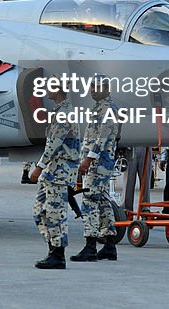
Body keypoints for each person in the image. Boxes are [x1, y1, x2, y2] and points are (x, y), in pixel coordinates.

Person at [29, 85, 81, 269]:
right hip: (52, 171)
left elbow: (54, 144)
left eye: (51, 88)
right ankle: (53, 247)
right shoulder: (58, 111)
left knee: (56, 214)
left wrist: (38, 167)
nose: (47, 91)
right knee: (39, 212)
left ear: (58, 91)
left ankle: (58, 255)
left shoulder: (64, 113)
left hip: (60, 171)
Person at [71, 77, 120, 262]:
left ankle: (90, 246)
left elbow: (102, 138)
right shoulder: (100, 107)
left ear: (107, 88)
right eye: (91, 87)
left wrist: (87, 160)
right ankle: (109, 246)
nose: (93, 90)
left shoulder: (108, 109)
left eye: (97, 87)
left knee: (90, 201)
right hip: (98, 163)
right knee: (103, 202)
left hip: (98, 163)